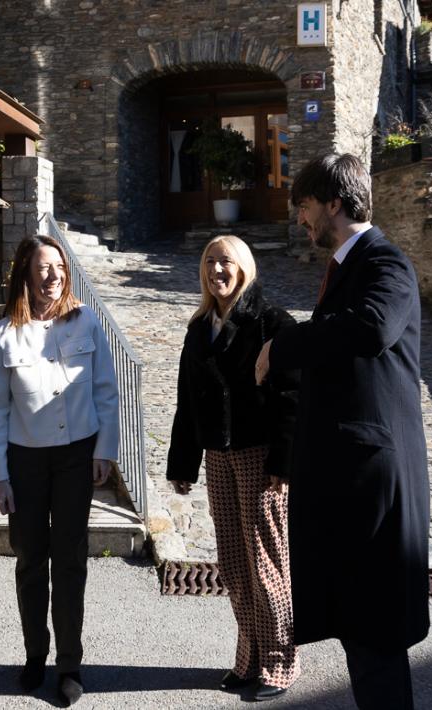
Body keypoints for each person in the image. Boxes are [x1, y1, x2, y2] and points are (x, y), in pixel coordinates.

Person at [255, 153, 430, 709]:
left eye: (305, 206)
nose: (301, 221)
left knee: (374, 632)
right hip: (351, 486)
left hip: (372, 485)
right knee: (361, 629)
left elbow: (372, 328)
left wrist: (282, 348)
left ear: (333, 202)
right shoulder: (351, 268)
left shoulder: (385, 261)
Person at [0, 235, 119, 707]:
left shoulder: (85, 321)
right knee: (29, 561)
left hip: (75, 457)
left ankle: (69, 664)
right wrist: (0, 477)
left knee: (70, 561)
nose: (53, 276)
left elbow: (106, 389)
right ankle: (34, 655)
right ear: (25, 273)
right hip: (25, 461)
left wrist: (106, 449)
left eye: (59, 267)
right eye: (43, 268)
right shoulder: (2, 334)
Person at [166, 235, 300, 702]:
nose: (216, 270)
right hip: (217, 456)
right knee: (234, 565)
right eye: (208, 262)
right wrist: (183, 464)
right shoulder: (199, 327)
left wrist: (284, 461)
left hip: (260, 457)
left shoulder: (272, 322)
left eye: (225, 261)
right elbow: (188, 402)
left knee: (266, 563)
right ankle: (250, 657)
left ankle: (281, 661)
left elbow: (291, 399)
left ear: (244, 267)